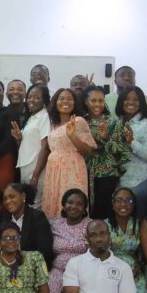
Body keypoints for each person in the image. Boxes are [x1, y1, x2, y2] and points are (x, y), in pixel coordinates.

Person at [34, 88, 95, 220]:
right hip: (53, 170)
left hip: (73, 169)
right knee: (54, 203)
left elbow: (88, 151)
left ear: (75, 103)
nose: (65, 101)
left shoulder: (79, 121)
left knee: (71, 203)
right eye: (61, 98)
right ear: (55, 102)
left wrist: (72, 135)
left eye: (69, 99)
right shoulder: (53, 125)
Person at [82, 85, 128, 220]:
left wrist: (105, 139)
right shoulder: (81, 121)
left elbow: (120, 151)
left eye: (101, 101)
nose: (97, 104)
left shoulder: (113, 122)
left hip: (107, 174)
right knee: (86, 210)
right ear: (86, 102)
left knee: (104, 212)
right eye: (93, 100)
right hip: (84, 173)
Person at [107, 186, 147, 293]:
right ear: (113, 204)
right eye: (119, 200)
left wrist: (138, 268)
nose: (123, 204)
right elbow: (100, 254)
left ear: (134, 204)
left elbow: (144, 253)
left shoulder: (138, 224)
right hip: (110, 274)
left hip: (134, 275)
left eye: (128, 201)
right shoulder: (104, 225)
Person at [46, 188, 91, 293]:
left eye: (79, 204)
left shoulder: (90, 225)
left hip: (82, 272)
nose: (74, 206)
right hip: (58, 270)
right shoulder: (55, 224)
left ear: (84, 208)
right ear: (64, 205)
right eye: (70, 202)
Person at [115, 86, 147, 218]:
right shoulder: (116, 123)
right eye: (127, 99)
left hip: (140, 182)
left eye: (136, 99)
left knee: (139, 221)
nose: (131, 102)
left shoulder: (145, 125)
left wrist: (132, 141)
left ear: (141, 103)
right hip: (120, 182)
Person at [0, 182, 53, 268]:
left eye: (12, 197)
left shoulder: (37, 217)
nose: (8, 201)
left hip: (32, 267)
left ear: (23, 196)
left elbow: (44, 251)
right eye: (5, 199)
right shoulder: (5, 218)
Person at [11, 84, 50, 193]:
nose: (31, 100)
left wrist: (35, 176)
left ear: (44, 100)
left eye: (37, 97)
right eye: (29, 97)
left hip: (37, 171)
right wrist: (19, 139)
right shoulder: (31, 118)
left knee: (36, 202)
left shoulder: (45, 117)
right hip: (26, 169)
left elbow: (46, 147)